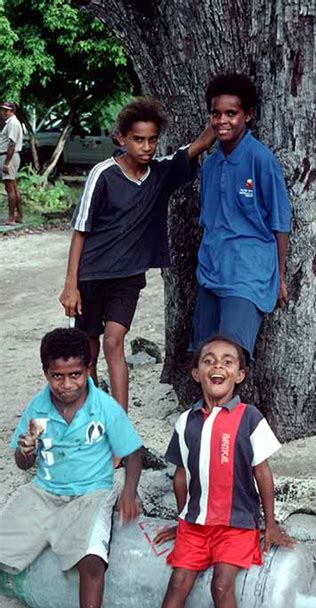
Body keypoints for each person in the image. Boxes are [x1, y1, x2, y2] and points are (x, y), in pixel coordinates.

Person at [137, 335, 295, 608]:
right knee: (178, 583)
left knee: (222, 585)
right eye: (208, 361)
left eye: (227, 362)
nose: (217, 367)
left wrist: (268, 523)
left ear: (240, 374)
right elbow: (180, 475)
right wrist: (182, 518)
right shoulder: (185, 421)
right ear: (196, 373)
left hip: (237, 523)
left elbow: (263, 473)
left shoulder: (249, 417)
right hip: (195, 524)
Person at [0, 328, 144, 608]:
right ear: (46, 373)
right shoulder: (38, 408)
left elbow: (134, 452)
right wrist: (25, 452)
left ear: (89, 369)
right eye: (57, 376)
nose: (66, 384)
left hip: (91, 493)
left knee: (92, 562)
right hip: (44, 491)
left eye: (75, 375)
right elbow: (22, 464)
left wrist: (128, 490)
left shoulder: (104, 407)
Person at [59, 96, 215, 414]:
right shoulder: (102, 175)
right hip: (91, 274)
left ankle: (119, 428)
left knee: (113, 342)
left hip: (128, 277)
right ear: (121, 138)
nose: (146, 147)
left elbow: (195, 147)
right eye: (138, 139)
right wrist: (70, 285)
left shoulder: (159, 174)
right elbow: (80, 232)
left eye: (152, 140)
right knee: (88, 351)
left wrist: (220, 121)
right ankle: (88, 416)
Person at [189, 74, 292, 362]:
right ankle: (207, 409)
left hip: (248, 275)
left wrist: (279, 278)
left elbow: (280, 224)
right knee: (205, 357)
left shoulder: (261, 160)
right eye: (216, 113)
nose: (222, 120)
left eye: (231, 114)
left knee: (229, 357)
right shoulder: (210, 164)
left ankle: (234, 410)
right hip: (211, 271)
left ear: (248, 115)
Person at [0, 100, 23, 225]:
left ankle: (11, 218)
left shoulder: (13, 123)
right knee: (13, 187)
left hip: (9, 157)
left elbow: (12, 144)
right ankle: (19, 215)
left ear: (12, 111)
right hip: (9, 156)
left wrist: (6, 163)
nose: (3, 112)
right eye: (3, 109)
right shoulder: (9, 123)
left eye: (6, 110)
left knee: (10, 188)